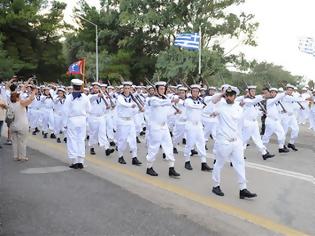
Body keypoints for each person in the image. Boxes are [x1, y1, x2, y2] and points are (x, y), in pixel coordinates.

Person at [211, 86, 257, 199]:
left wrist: (240, 140)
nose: (229, 97)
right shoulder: (220, 106)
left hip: (236, 142)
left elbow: (240, 124)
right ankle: (215, 185)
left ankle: (243, 189)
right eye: (227, 95)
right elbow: (213, 100)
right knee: (219, 164)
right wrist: (221, 94)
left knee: (240, 164)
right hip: (224, 141)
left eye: (231, 95)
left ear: (235, 96)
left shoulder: (239, 107)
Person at [145, 81, 180, 177]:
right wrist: (171, 100)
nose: (163, 90)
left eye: (163, 89)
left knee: (169, 146)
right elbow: (159, 104)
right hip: (155, 127)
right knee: (154, 147)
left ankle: (171, 168)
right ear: (156, 90)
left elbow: (166, 112)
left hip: (164, 126)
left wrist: (174, 112)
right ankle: (149, 167)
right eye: (160, 89)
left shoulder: (165, 99)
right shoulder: (152, 99)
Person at [183, 84, 212, 171]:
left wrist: (210, 112)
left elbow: (204, 110)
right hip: (190, 124)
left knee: (201, 143)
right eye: (193, 91)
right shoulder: (188, 100)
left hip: (198, 125)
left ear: (199, 92)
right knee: (190, 144)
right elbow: (191, 106)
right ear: (191, 92)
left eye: (197, 91)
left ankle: (203, 163)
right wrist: (201, 106)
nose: (195, 93)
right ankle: (187, 161)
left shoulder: (200, 100)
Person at [64, 79, 91, 169]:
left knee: (72, 140)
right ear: (81, 87)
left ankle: (75, 161)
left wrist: (64, 123)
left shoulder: (69, 97)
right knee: (81, 140)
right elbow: (89, 110)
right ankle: (81, 161)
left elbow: (65, 111)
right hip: (82, 119)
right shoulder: (85, 97)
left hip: (72, 120)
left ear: (73, 86)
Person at [115, 81, 142, 166]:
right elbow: (123, 104)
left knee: (133, 140)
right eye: (125, 88)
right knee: (122, 140)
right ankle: (120, 156)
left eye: (128, 88)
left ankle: (134, 157)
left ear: (131, 89)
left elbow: (134, 110)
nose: (127, 90)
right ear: (123, 89)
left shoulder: (133, 98)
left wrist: (139, 109)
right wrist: (131, 105)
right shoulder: (120, 97)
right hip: (122, 121)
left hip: (130, 121)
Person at [10, 85, 36, 161]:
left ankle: (16, 156)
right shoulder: (21, 104)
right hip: (22, 125)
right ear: (17, 98)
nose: (20, 97)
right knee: (22, 141)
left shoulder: (10, 104)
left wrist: (25, 86)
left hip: (13, 125)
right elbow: (31, 99)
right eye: (19, 96)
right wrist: (34, 91)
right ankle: (22, 156)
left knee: (15, 142)